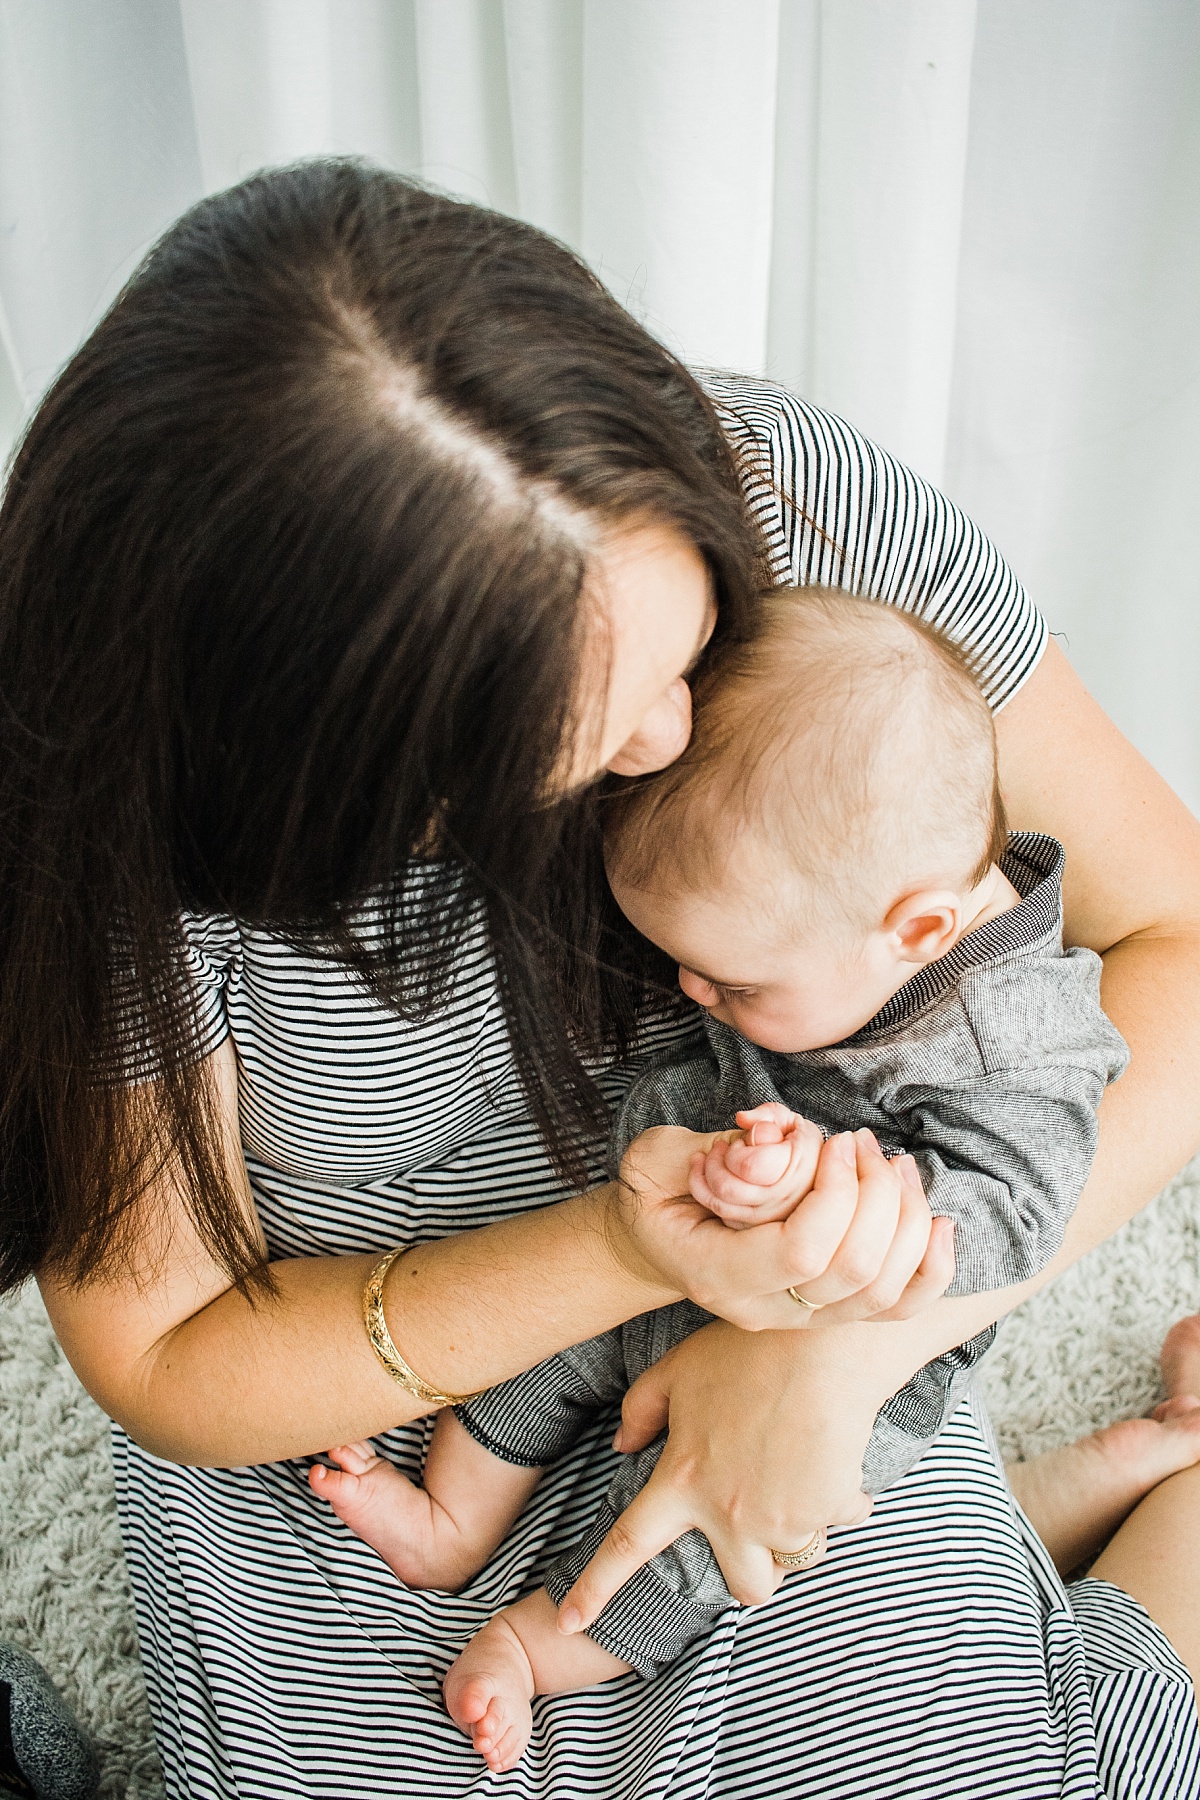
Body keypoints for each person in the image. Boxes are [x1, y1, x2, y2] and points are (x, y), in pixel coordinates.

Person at [2, 161, 1200, 1798]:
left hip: (779, 1309)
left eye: (688, 647)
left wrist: (831, 1350)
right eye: (573, 740)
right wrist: (622, 1246)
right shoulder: (116, 818)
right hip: (363, 1407)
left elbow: (1175, 948)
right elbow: (166, 1356)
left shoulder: (803, 521)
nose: (667, 740)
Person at [308, 585, 1132, 1770]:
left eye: (732, 984)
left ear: (916, 928)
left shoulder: (1015, 1038)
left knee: (740, 1528)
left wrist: (835, 1200)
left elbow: (1016, 1215)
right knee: (554, 1341)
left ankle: (549, 1640)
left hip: (862, 1324)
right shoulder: (832, 923)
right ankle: (452, 1520)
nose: (695, 999)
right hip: (687, 1224)